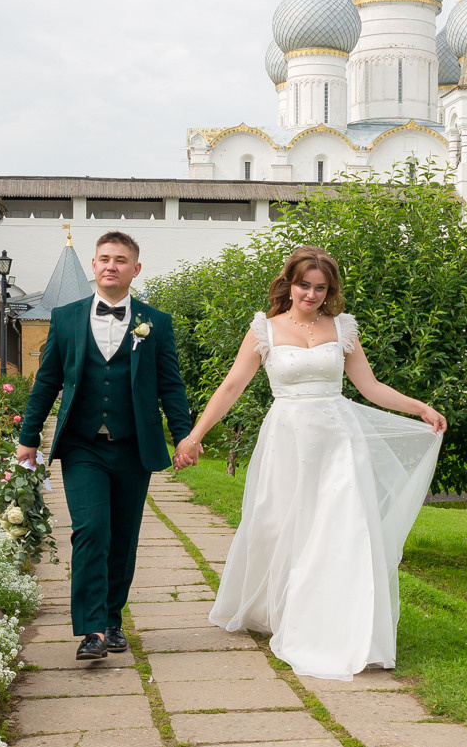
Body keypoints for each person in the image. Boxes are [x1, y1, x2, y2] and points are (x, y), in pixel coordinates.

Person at [178, 247, 445, 681]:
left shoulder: (343, 328)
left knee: (341, 529)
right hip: (287, 438)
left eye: (321, 288)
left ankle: (339, 629)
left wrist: (419, 408)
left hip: (339, 438)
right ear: (290, 283)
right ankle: (277, 608)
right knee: (278, 525)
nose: (312, 294)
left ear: (330, 291)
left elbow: (370, 387)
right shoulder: (264, 328)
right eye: (305, 285)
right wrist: (194, 436)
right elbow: (231, 387)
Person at [16, 232, 196, 661]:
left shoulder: (157, 322)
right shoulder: (65, 318)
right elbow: (47, 381)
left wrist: (185, 435)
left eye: (121, 260)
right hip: (83, 446)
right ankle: (92, 629)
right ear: (93, 267)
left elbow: (171, 386)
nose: (111, 266)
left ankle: (113, 619)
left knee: (123, 536)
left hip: (134, 445)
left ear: (135, 269)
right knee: (90, 530)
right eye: (104, 259)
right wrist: (28, 436)